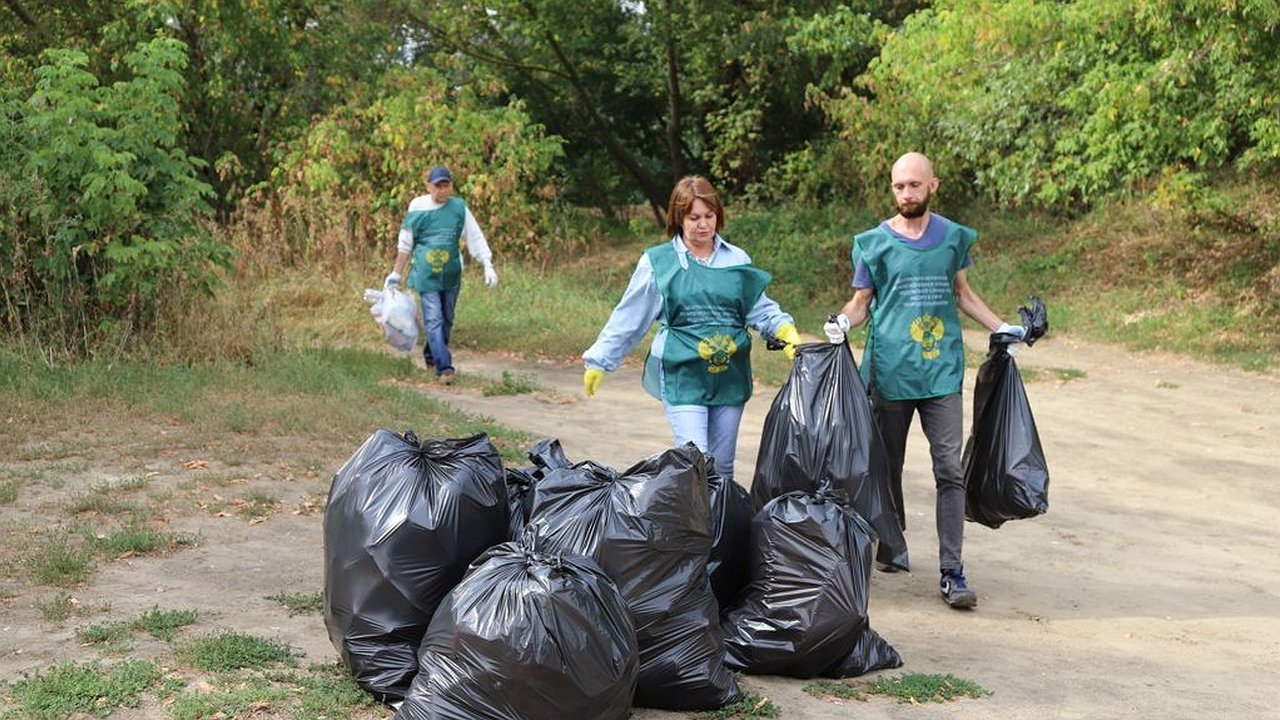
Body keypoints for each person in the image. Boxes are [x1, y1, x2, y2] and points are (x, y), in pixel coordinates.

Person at [824, 152, 1025, 609]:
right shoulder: (873, 243)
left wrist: (1001, 327)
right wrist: (842, 322)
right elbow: (860, 302)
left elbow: (963, 294)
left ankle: (952, 571)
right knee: (884, 467)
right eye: (899, 187)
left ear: (933, 185)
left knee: (949, 470)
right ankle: (891, 545)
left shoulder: (952, 238)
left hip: (941, 372)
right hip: (890, 371)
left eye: (914, 185)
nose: (906, 194)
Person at [582, 175, 801, 482]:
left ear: (718, 216)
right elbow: (629, 317)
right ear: (678, 218)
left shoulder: (736, 260)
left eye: (709, 216)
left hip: (729, 376)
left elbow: (759, 308)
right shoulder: (659, 263)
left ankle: (720, 529)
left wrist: (784, 330)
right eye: (694, 217)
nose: (703, 225)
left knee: (723, 466)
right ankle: (694, 530)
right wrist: (599, 361)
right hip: (682, 373)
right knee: (696, 460)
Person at [385, 166, 499, 383]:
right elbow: (405, 244)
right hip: (426, 276)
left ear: (451, 186)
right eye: (437, 186)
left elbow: (474, 236)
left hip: (451, 275)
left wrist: (487, 263)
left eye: (446, 185)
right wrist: (395, 274)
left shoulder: (458, 208)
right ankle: (445, 368)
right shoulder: (417, 208)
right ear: (428, 186)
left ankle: (431, 356)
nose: (442, 190)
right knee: (434, 319)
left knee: (446, 319)